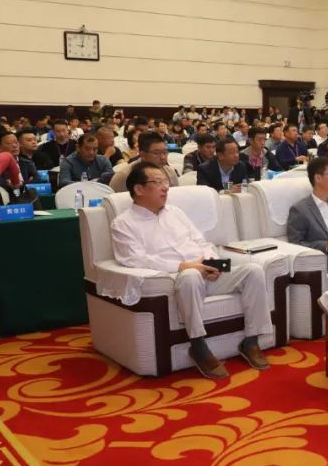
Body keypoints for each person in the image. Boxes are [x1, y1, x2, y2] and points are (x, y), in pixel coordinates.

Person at [110, 161, 270, 379]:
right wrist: (184, 266)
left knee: (253, 270)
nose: (165, 187)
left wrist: (211, 262)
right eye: (158, 182)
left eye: (166, 182)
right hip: (176, 278)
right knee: (190, 276)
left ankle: (251, 340)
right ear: (139, 189)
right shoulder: (123, 224)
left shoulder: (175, 212)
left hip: (206, 271)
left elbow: (201, 242)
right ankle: (198, 345)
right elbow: (135, 259)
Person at [110, 133, 178, 193]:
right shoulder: (124, 176)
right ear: (142, 155)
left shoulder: (170, 173)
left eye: (165, 152)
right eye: (156, 153)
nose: (162, 157)